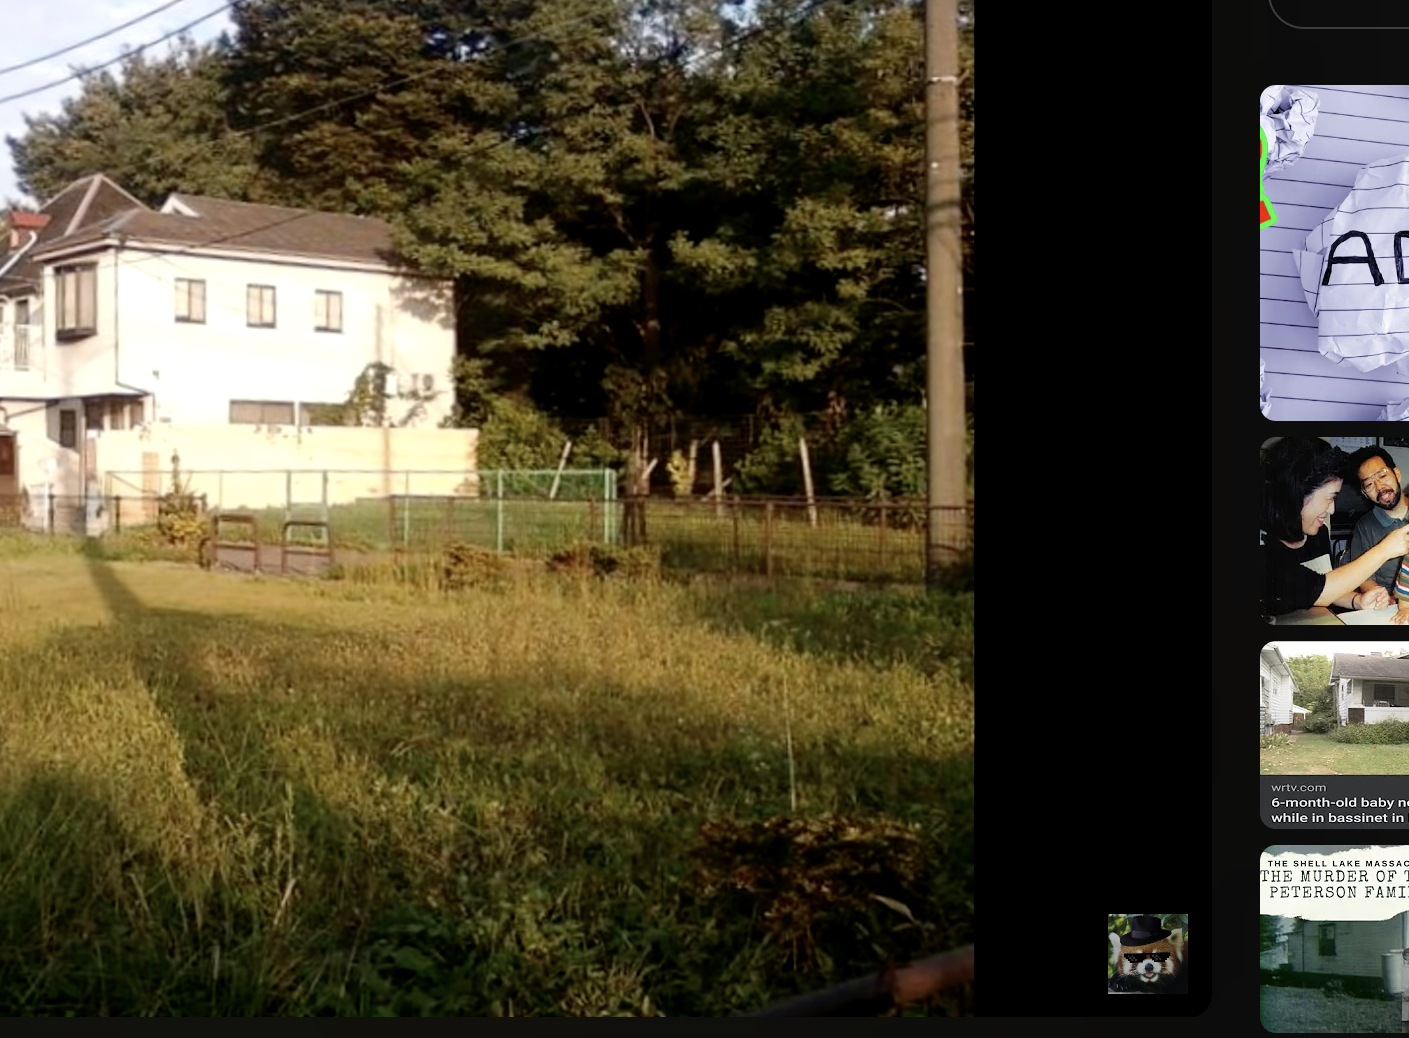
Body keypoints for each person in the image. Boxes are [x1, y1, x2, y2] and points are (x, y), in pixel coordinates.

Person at [1261, 437, 1409, 616]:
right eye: (1330, 497)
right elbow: (1318, 591)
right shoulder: (1264, 547)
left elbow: (1324, 584)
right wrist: (1386, 549)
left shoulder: (1318, 533)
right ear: (1297, 493)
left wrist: (1357, 600)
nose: (1332, 510)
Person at [1346, 445, 1409, 608]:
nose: (1380, 487)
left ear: (1397, 474)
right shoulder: (1363, 527)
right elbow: (1365, 577)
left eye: (1382, 475)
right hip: (1392, 607)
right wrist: (1381, 597)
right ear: (1365, 493)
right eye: (1369, 484)